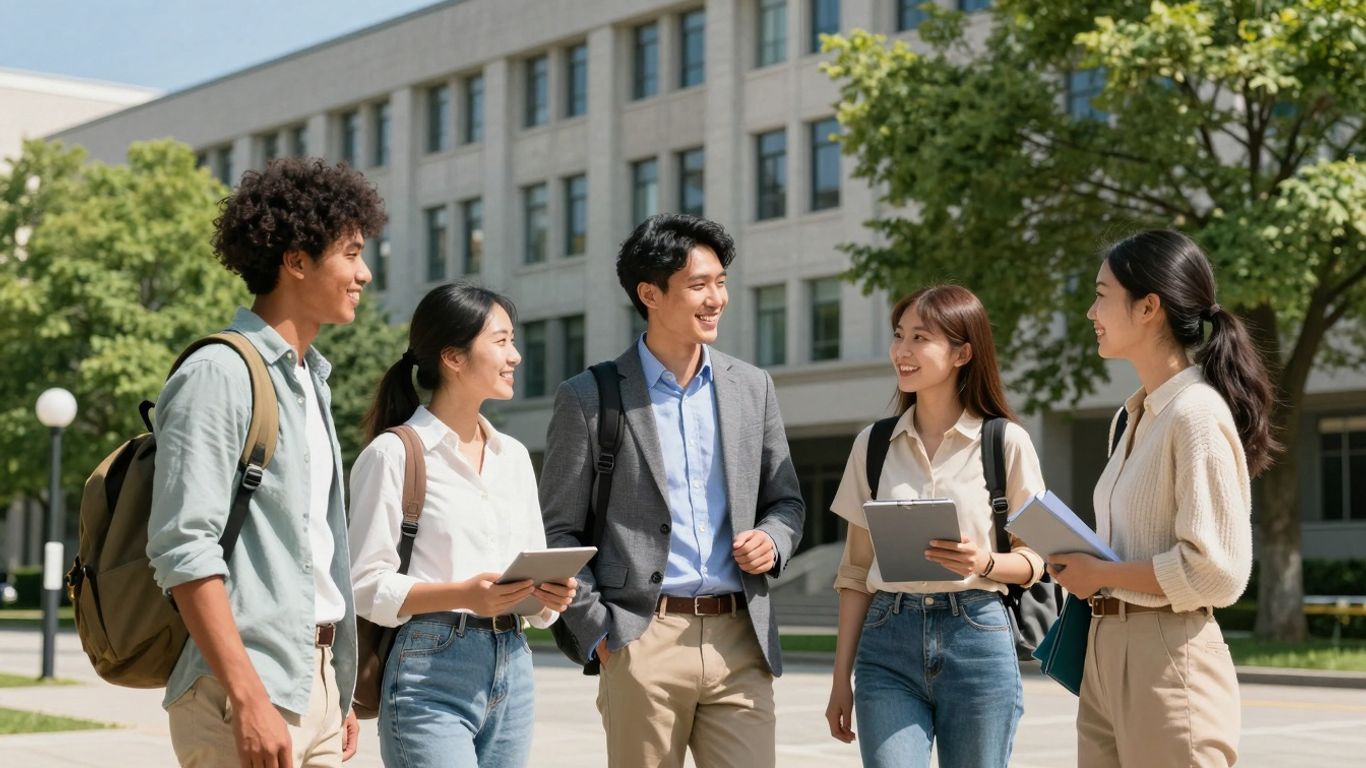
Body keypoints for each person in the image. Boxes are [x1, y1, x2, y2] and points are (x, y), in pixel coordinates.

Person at [540, 213, 805, 768]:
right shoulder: (588, 397)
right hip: (642, 638)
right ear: (650, 294)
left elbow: (786, 500)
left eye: (721, 282)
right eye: (698, 285)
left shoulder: (751, 387)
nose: (716, 299)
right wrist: (604, 636)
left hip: (741, 639)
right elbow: (558, 531)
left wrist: (773, 541)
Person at [147, 158, 387, 768]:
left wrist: (336, 693)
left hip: (317, 684)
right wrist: (248, 694)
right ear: (297, 260)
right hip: (245, 689)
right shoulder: (219, 374)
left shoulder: (312, 382)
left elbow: (312, 548)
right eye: (351, 253)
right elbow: (183, 548)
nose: (364, 273)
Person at [1050, 230, 1276, 767]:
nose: (1090, 312)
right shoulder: (1132, 418)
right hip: (1104, 650)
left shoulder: (1196, 413)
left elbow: (1217, 572)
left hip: (1167, 654)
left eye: (1102, 294)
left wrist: (1100, 573)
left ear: (1148, 307)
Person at [348, 282, 575, 768]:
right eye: (501, 341)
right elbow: (364, 585)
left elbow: (530, 564)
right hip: (429, 665)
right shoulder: (393, 454)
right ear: (453, 357)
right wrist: (463, 595)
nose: (515, 356)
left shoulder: (512, 456)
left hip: (513, 662)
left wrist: (549, 596)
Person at [823, 285, 1048, 768]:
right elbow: (855, 573)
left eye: (920, 338)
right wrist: (841, 679)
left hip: (977, 637)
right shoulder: (873, 444)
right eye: (899, 335)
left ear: (962, 352)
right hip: (887, 640)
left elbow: (1037, 560)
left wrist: (984, 561)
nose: (902, 352)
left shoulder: (1004, 441)